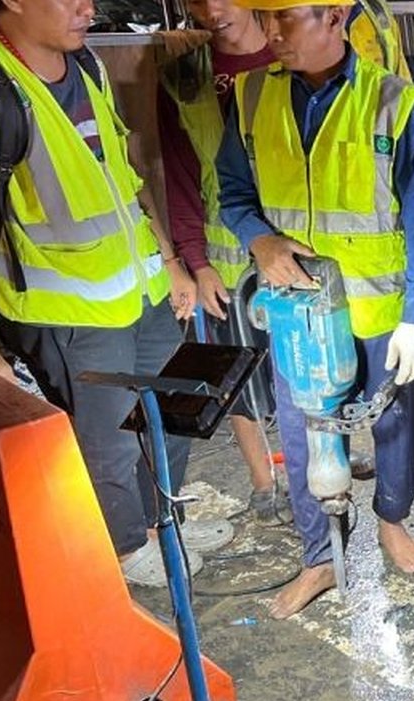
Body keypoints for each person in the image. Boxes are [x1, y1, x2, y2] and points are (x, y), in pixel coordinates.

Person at [0, 0, 232, 587]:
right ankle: (126, 550)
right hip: (72, 311)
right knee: (107, 444)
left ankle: (163, 525)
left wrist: (170, 262)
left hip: (143, 291)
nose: (88, 8)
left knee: (171, 413)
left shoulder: (85, 64)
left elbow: (125, 174)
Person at [216, 0, 414, 618]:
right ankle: (321, 558)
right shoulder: (251, 98)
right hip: (299, 318)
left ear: (335, 17)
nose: (270, 34)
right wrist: (260, 242)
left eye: (283, 19)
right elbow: (233, 194)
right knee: (305, 436)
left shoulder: (396, 103)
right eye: (263, 20)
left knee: (393, 427)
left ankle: (391, 519)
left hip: (378, 315)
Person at [156, 0, 290, 524]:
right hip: (226, 260)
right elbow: (180, 175)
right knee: (234, 375)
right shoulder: (185, 79)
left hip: (294, 249)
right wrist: (196, 261)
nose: (212, 8)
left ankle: (324, 459)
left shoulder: (291, 53)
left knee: (309, 367)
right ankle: (265, 483)